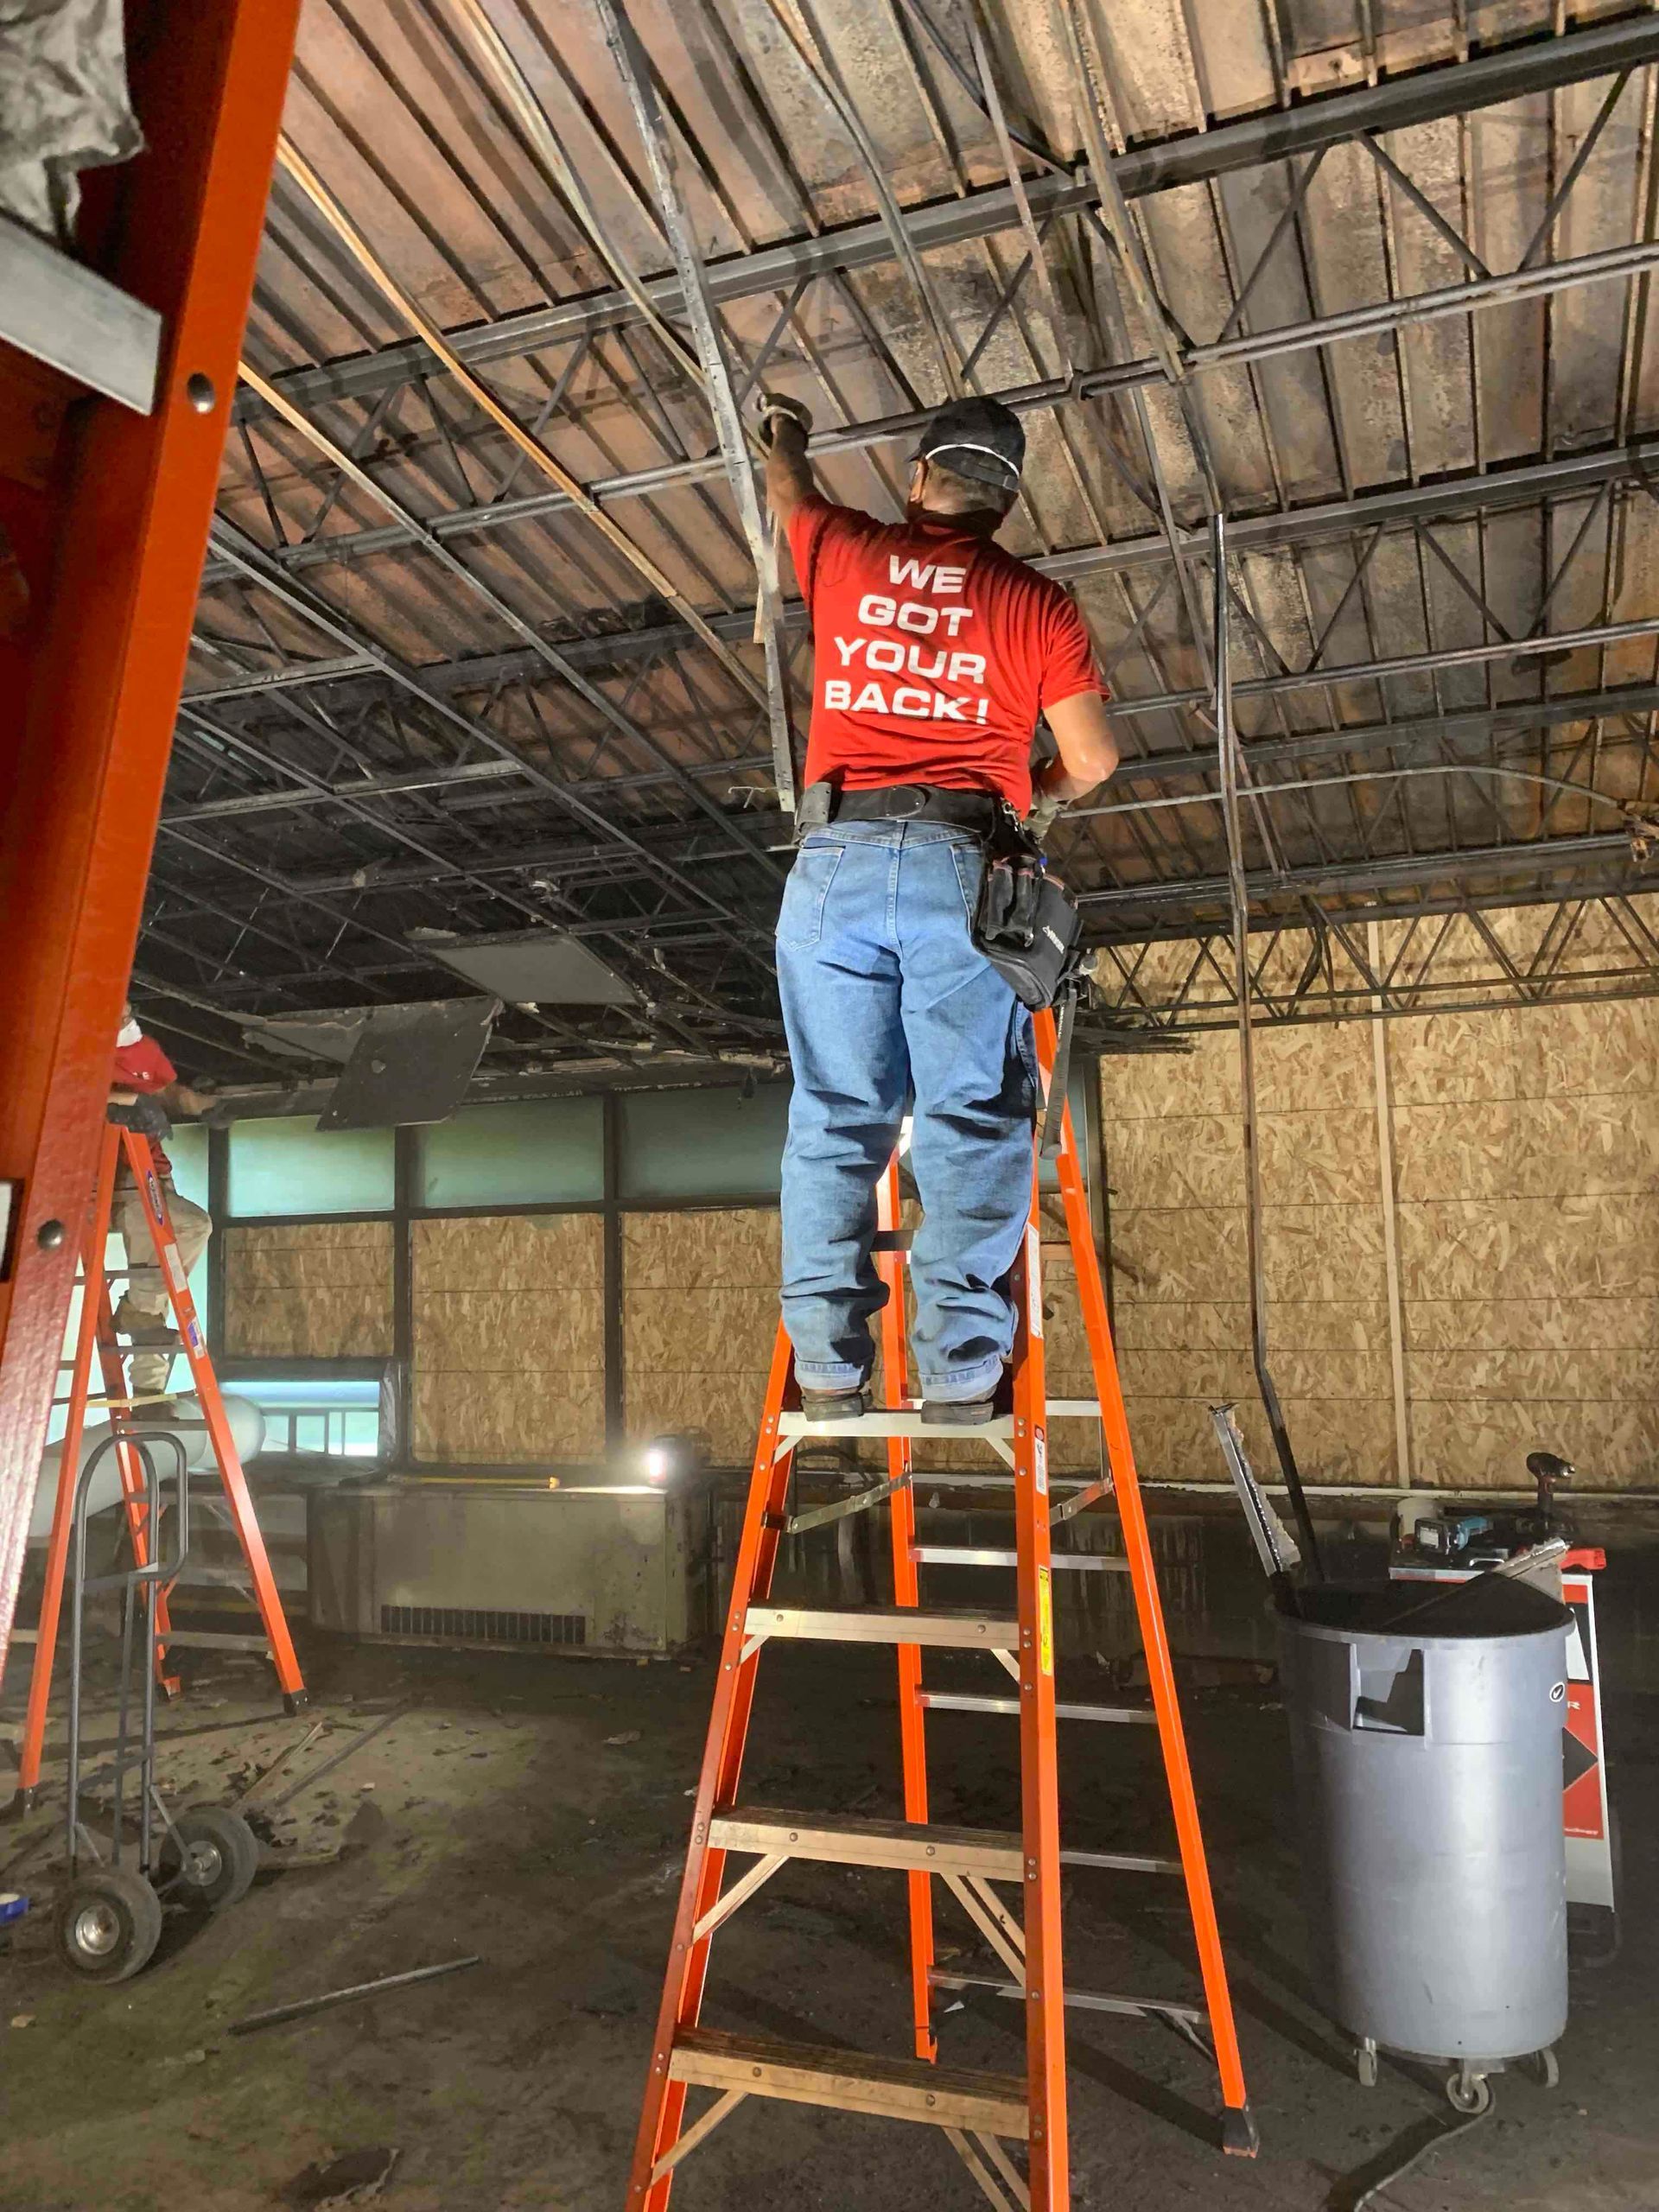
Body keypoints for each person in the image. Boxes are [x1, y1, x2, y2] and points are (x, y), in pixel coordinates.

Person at [760, 392, 1120, 1423]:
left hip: (830, 864)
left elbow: (790, 490)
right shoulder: (1037, 604)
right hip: (960, 866)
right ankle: (959, 1366)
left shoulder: (846, 549)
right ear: (1006, 503)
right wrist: (1033, 794)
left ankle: (828, 1367)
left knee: (835, 1115)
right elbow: (1093, 757)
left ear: (920, 479)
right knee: (967, 1110)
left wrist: (786, 436)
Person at [109, 1003, 214, 1401]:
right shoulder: (81, 1051)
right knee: (189, 1231)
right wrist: (128, 1104)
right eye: (117, 1014)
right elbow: (71, 1095)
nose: (126, 1019)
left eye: (128, 1012)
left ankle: (147, 1393)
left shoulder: (144, 1049)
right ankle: (137, 1318)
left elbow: (168, 1092)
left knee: (157, 1280)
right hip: (116, 1179)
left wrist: (206, 1106)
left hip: (151, 1174)